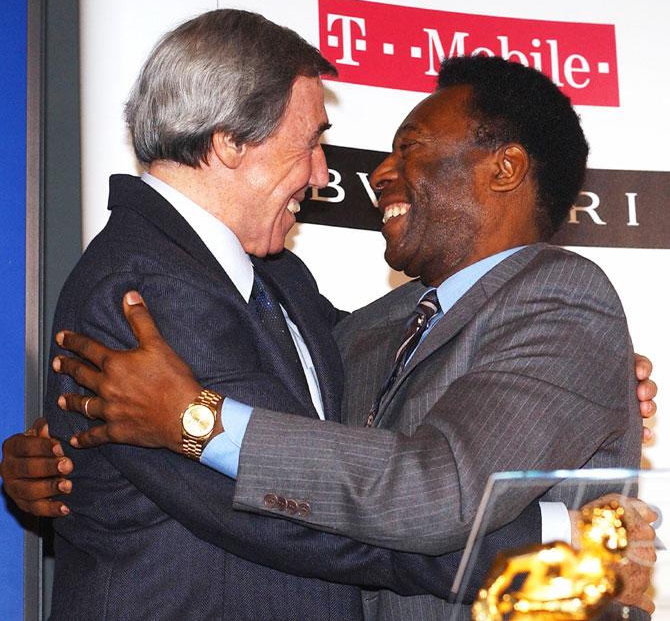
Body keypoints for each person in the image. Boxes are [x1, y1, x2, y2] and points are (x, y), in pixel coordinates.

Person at [3, 54, 658, 619]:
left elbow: (438, 495)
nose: (379, 173)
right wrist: (66, 458)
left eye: (412, 148)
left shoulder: (562, 294)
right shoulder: (366, 330)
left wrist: (194, 420)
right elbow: (300, 440)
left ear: (504, 168)